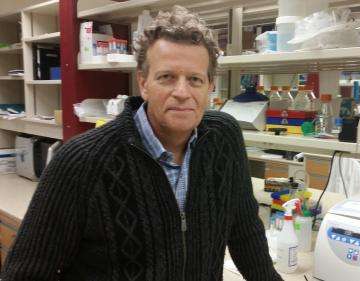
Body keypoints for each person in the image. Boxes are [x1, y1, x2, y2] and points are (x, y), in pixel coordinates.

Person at [0, 6, 282, 281]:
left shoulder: (224, 138)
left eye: (194, 79)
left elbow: (245, 233)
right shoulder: (81, 160)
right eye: (167, 77)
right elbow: (25, 273)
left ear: (209, 86)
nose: (182, 92)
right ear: (143, 82)